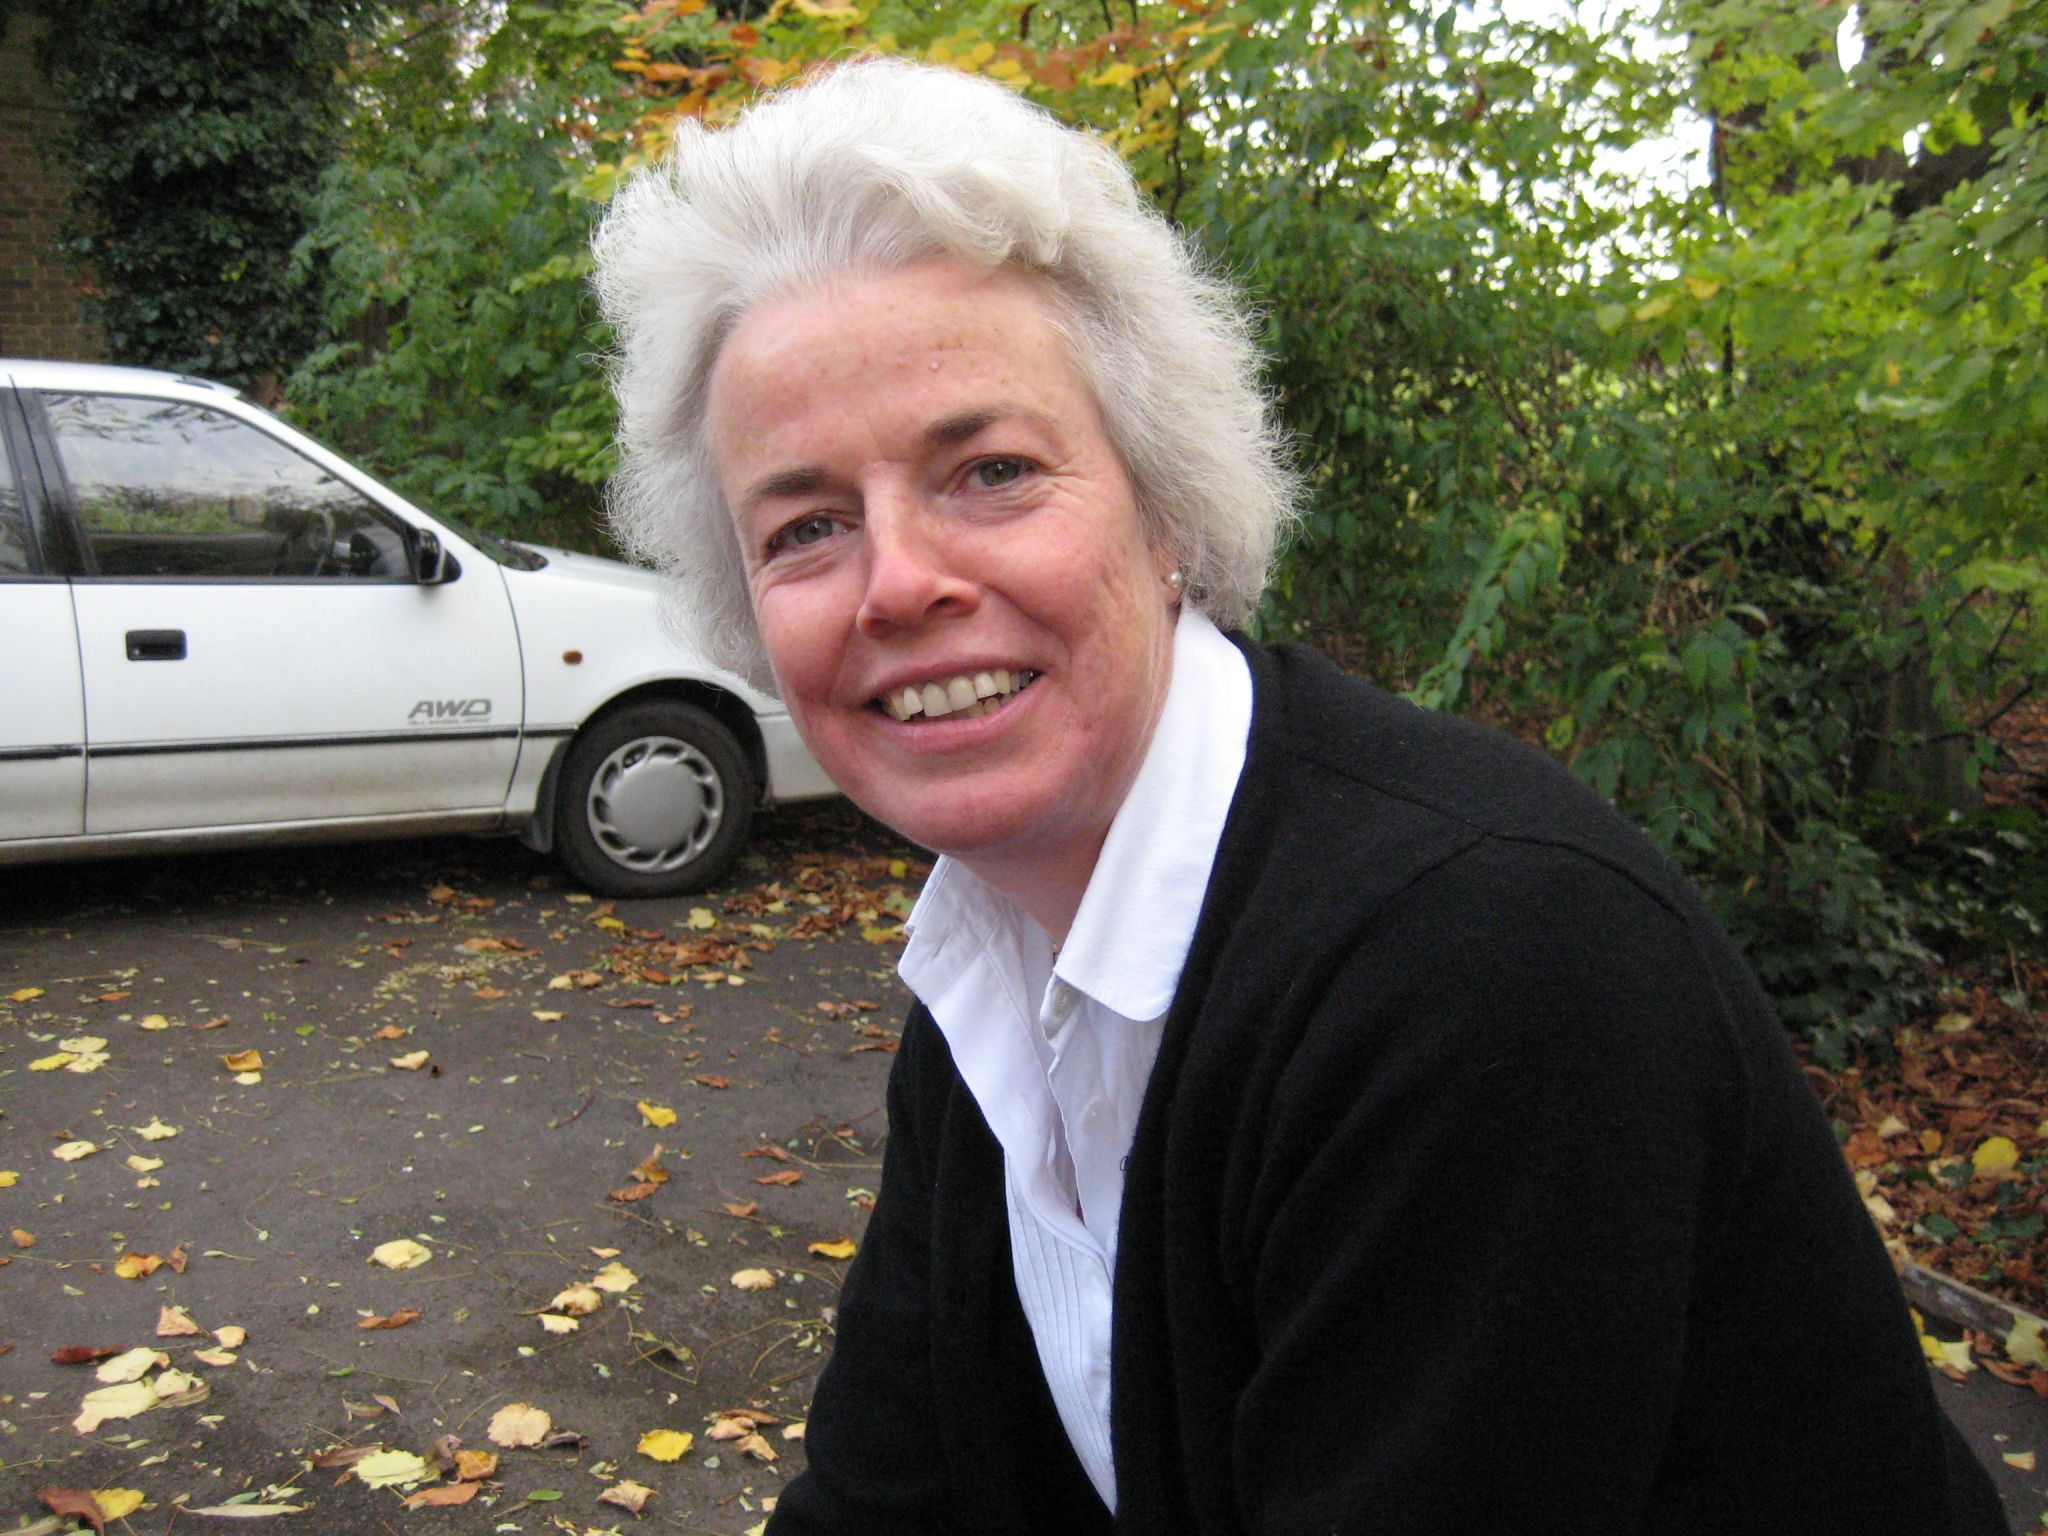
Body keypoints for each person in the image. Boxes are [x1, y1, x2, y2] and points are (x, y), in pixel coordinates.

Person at [592, 57, 2004, 1536]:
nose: (896, 583)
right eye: (806, 527)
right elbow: (889, 1499)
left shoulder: (1482, 966)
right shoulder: (1001, 959)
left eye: (991, 471)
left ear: (1165, 506)